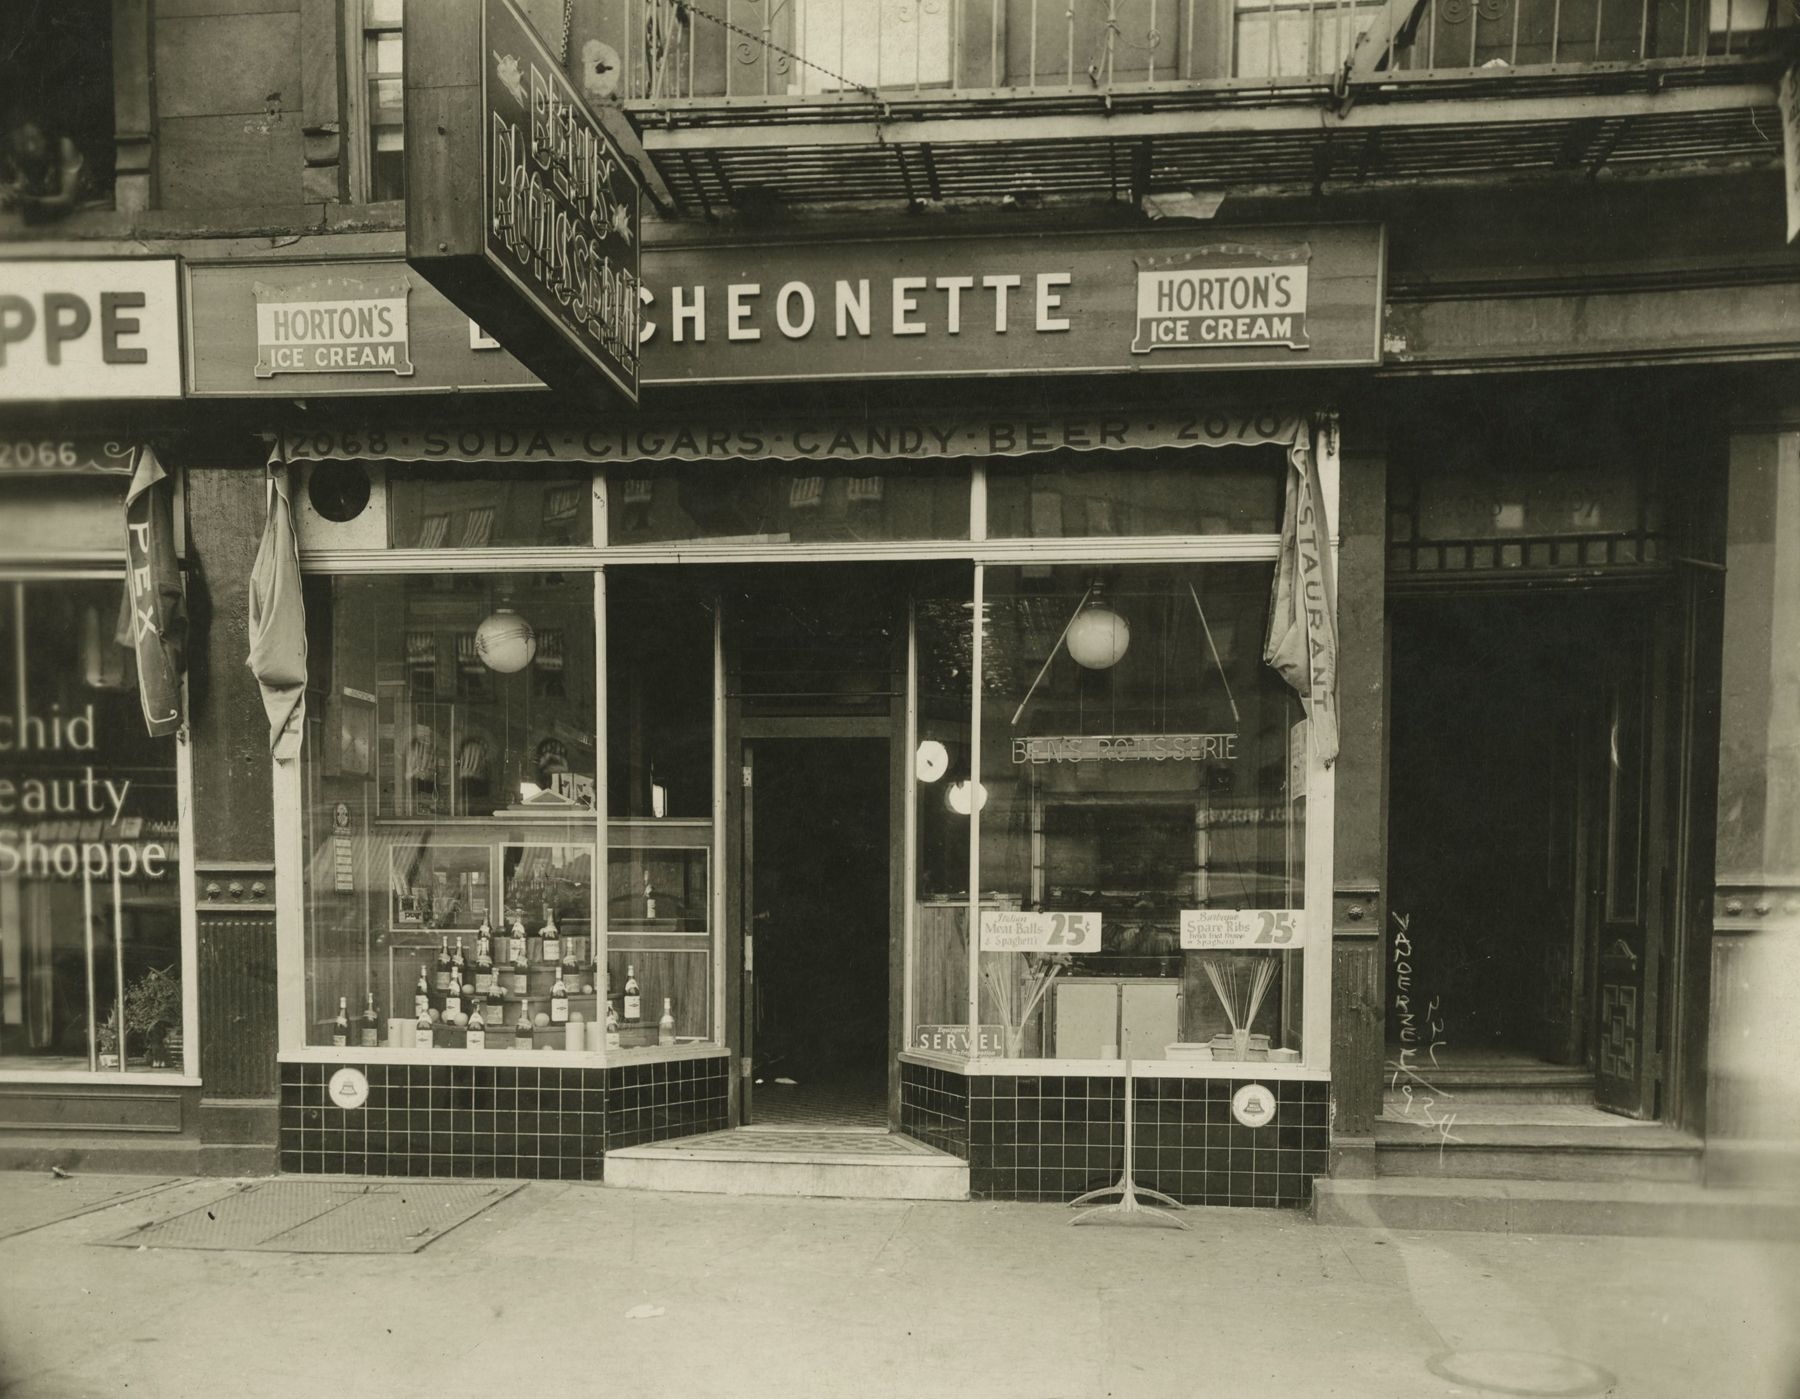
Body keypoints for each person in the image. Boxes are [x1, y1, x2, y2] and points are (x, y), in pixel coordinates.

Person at [0, 116, 87, 222]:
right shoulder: (20, 155)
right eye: (22, 143)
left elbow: (68, 199)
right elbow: (20, 186)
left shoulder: (64, 146)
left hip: (87, 211)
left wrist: (29, 201)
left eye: (35, 139)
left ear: (45, 135)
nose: (30, 147)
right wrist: (11, 193)